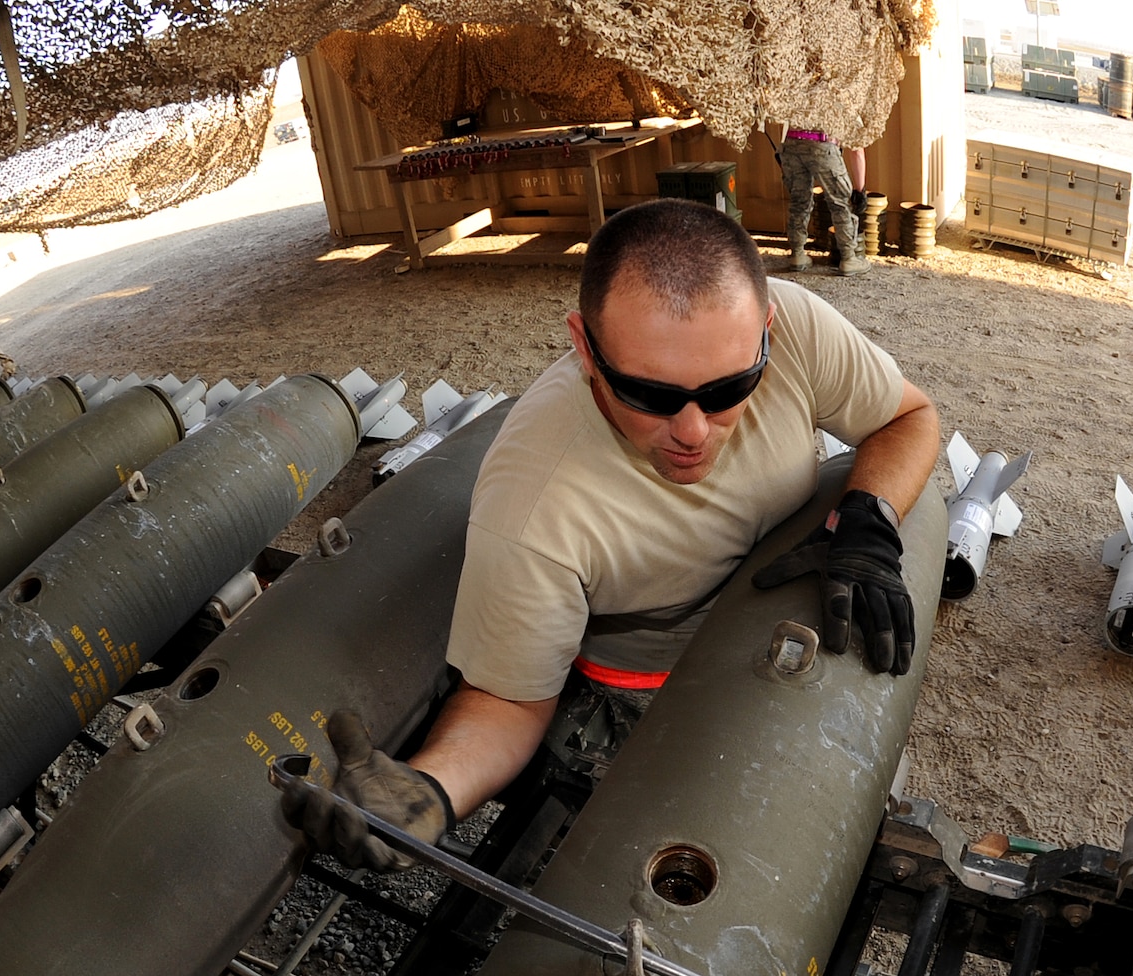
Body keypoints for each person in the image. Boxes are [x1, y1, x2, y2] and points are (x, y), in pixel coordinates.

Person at [286, 198, 938, 870]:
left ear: (767, 328)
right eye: (651, 396)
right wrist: (433, 788)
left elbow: (908, 417)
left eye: (728, 389)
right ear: (584, 348)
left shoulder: (797, 326)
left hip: (779, 604)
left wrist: (870, 519)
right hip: (647, 684)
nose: (690, 431)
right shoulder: (533, 504)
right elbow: (511, 697)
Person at [781, 128, 869, 276]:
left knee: (799, 201)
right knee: (840, 202)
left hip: (790, 145)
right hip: (822, 144)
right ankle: (849, 258)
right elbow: (857, 150)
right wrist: (860, 190)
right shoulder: (846, 104)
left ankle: (797, 255)